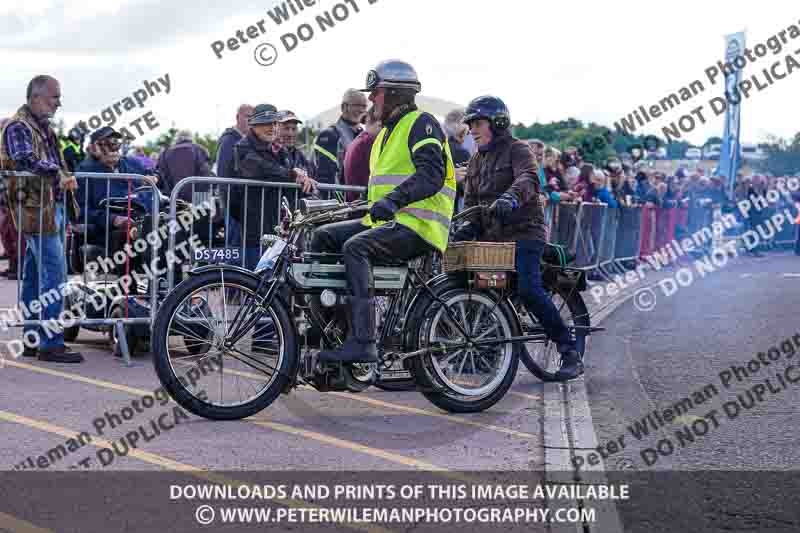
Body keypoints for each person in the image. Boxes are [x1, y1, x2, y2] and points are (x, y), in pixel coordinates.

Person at [311, 59, 456, 364]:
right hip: (390, 221)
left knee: (356, 248)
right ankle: (334, 328)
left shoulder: (422, 123)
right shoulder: (386, 135)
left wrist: (393, 201)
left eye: (375, 93)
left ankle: (363, 342)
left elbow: (432, 174)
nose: (371, 100)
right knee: (322, 237)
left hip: (419, 225)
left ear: (394, 94)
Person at [455, 95, 582, 381]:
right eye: (470, 125)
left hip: (524, 232)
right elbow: (471, 201)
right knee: (477, 287)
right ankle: (487, 353)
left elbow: (528, 178)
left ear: (498, 123)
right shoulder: (475, 160)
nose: (472, 130)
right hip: (492, 236)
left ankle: (569, 351)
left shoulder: (518, 149)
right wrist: (466, 226)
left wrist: (510, 198)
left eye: (477, 123)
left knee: (528, 289)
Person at [0, 75, 82, 363]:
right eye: (54, 97)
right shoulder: (18, 126)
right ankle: (50, 342)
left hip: (44, 207)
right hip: (35, 208)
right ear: (35, 97)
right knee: (54, 273)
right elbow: (24, 159)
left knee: (35, 275)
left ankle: (33, 338)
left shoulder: (40, 127)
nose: (58, 103)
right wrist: (59, 174)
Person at [230, 109, 316, 269]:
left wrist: (305, 181)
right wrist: (292, 174)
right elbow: (262, 169)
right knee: (252, 276)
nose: (271, 127)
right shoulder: (242, 147)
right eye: (265, 123)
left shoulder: (280, 151)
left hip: (279, 229)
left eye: (274, 123)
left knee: (276, 278)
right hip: (254, 229)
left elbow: (292, 185)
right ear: (253, 125)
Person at [75, 127, 156, 272]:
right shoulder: (84, 171)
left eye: (115, 142)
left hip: (144, 221)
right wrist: (113, 219)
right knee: (128, 234)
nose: (112, 148)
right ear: (94, 149)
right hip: (107, 229)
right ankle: (127, 284)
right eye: (105, 144)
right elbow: (80, 211)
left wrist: (154, 178)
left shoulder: (132, 164)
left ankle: (172, 285)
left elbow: (156, 176)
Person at [313, 89, 367, 185]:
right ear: (343, 107)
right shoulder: (329, 135)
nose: (361, 110)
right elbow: (327, 178)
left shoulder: (364, 134)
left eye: (364, 106)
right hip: (342, 193)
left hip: (361, 193)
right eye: (357, 105)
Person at [157, 129, 214, 202]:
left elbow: (161, 174)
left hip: (172, 199)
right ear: (191, 138)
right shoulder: (200, 150)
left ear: (177, 138)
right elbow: (206, 173)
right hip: (198, 199)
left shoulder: (165, 152)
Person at [342, 108, 382, 202]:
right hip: (364, 203)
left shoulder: (361, 140)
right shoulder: (368, 142)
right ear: (379, 124)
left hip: (356, 202)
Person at [277, 110, 315, 176]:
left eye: (294, 129)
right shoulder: (270, 153)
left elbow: (312, 173)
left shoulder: (299, 154)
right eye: (286, 128)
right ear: (276, 129)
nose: (291, 134)